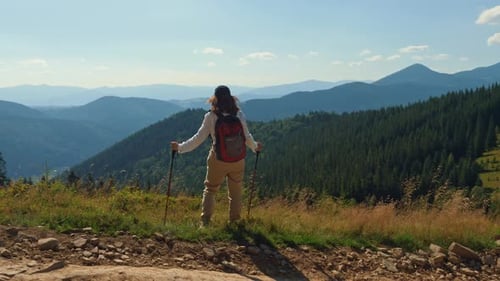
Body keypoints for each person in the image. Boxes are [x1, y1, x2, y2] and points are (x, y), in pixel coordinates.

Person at [170, 85, 262, 227]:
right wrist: (255, 147)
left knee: (211, 190)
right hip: (238, 160)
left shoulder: (211, 117)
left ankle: (205, 222)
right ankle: (235, 222)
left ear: (215, 99)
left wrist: (180, 148)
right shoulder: (239, 115)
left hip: (217, 159)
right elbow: (247, 137)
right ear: (231, 98)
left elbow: (198, 139)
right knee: (235, 192)